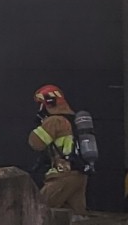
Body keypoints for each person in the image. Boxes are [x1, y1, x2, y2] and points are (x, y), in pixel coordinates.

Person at [29, 84, 88, 212]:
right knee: (76, 215)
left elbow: (36, 143)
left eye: (41, 104)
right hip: (79, 175)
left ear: (48, 104)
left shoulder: (54, 121)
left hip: (62, 176)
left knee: (38, 210)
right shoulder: (73, 119)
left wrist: (41, 123)